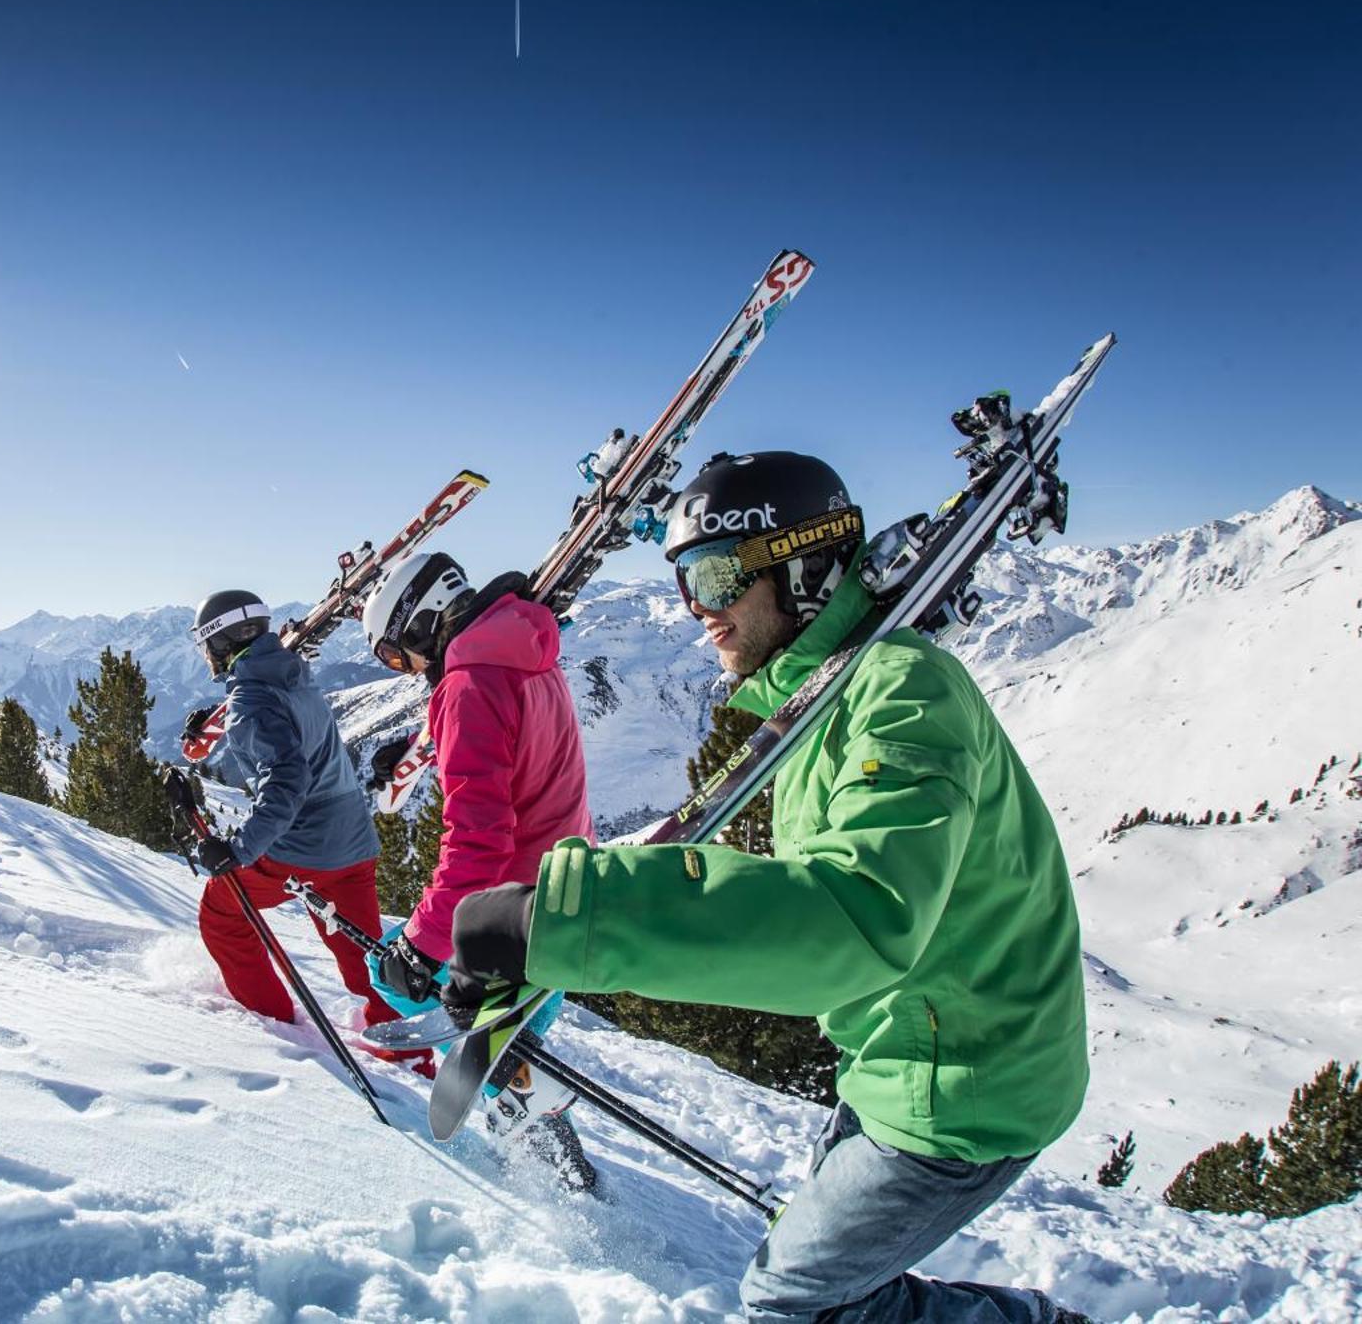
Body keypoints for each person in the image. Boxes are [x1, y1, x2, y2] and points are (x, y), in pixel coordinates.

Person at [444, 451, 1093, 1322]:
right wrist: (556, 935)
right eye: (681, 582)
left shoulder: (903, 694)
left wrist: (568, 914)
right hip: (907, 1049)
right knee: (830, 1288)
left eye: (713, 576)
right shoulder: (820, 703)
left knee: (795, 1305)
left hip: (973, 1072)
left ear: (807, 568)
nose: (698, 610)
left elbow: (856, 916)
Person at [359, 553, 600, 1191]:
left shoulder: (467, 684)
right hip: (567, 878)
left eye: (393, 653)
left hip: (514, 901)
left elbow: (477, 845)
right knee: (506, 1023)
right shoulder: (523, 647)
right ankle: (525, 1092)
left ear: (419, 623)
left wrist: (420, 945)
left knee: (403, 978)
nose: (403, 669)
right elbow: (505, 741)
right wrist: (429, 739)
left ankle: (547, 1157)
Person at [181, 589, 400, 1034]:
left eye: (207, 645)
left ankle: (275, 1024)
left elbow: (286, 780)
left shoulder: (250, 702)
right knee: (362, 953)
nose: (205, 656)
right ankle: (402, 1044)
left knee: (224, 914)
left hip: (302, 849)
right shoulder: (294, 674)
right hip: (354, 841)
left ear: (221, 644)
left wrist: (240, 849)